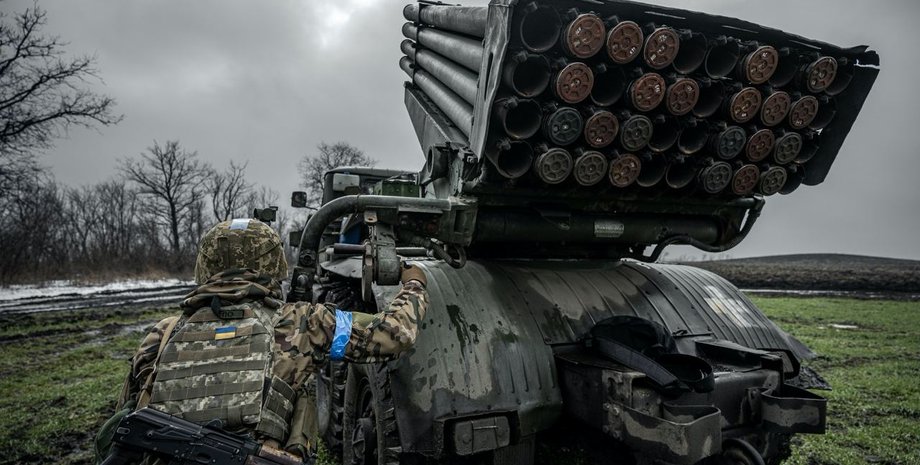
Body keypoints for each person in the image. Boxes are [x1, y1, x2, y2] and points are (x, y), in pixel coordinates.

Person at [95, 218, 428, 463]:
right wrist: (413, 284)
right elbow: (394, 334)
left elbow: (122, 420)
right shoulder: (304, 324)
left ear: (206, 266)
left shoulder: (162, 333)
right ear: (274, 265)